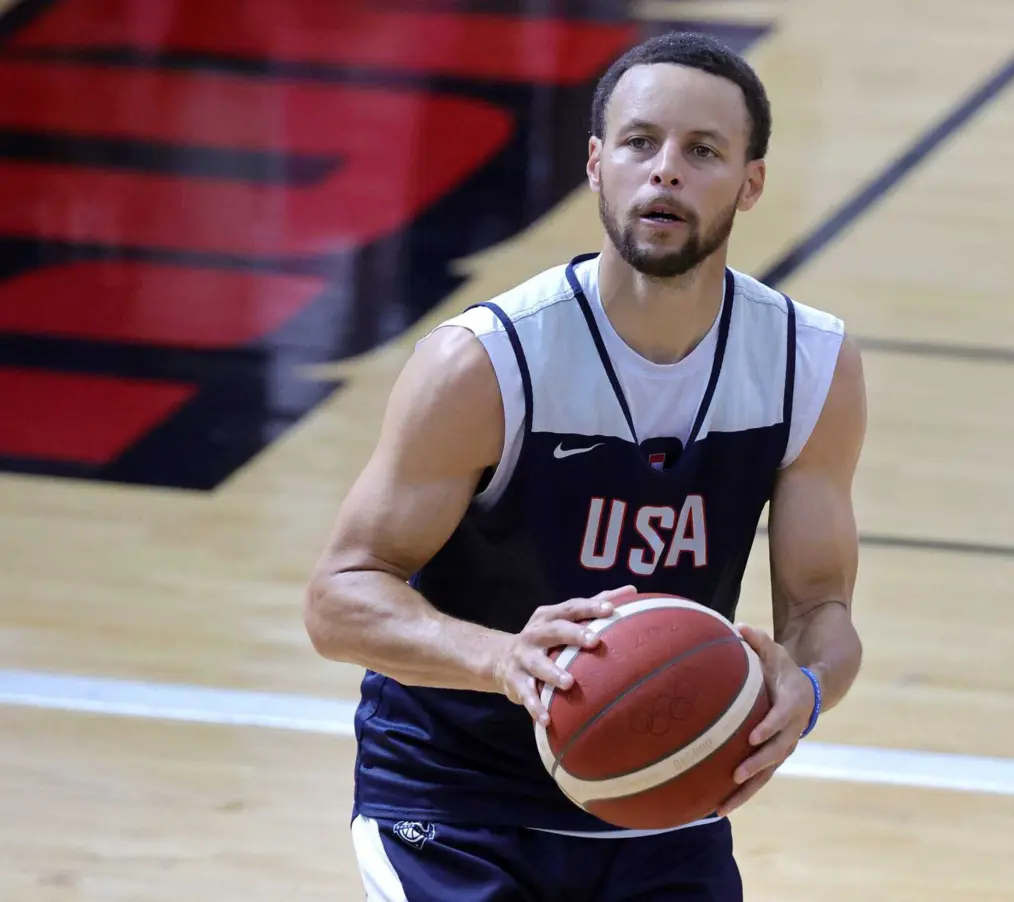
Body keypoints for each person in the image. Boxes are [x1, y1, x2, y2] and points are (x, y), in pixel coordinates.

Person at [304, 30, 866, 902]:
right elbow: (340, 598)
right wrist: (502, 659)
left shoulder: (808, 364)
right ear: (597, 164)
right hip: (455, 805)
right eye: (641, 143)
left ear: (750, 183)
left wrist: (810, 684)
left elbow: (823, 606)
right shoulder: (485, 364)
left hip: (664, 800)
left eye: (703, 151)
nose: (666, 171)